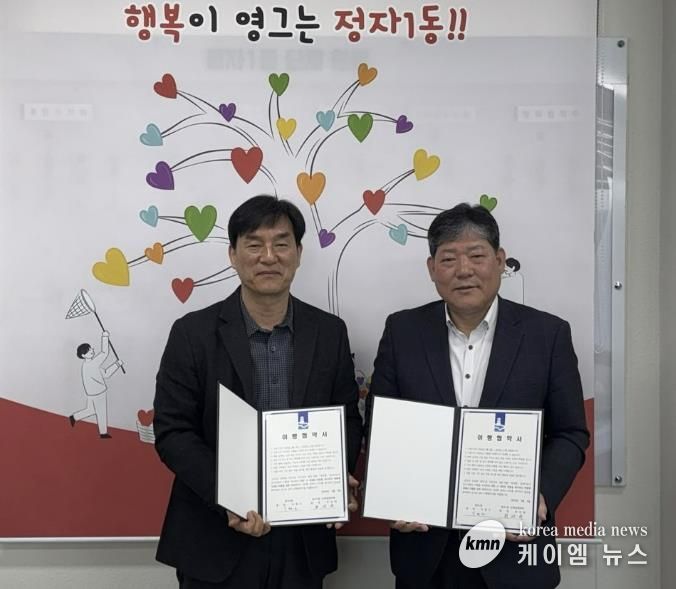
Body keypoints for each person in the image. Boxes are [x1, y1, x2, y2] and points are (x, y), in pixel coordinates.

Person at [366, 203, 589, 589]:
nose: (464, 270)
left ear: (500, 261)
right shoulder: (402, 331)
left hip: (514, 552)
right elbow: (381, 426)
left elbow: (571, 433)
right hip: (425, 550)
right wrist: (393, 495)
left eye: (476, 255)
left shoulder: (547, 335)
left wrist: (540, 496)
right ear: (432, 268)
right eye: (448, 258)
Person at [153, 195, 363, 589]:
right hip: (215, 535)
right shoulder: (192, 333)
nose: (269, 256)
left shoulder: (329, 332)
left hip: (302, 540)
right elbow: (173, 431)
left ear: (298, 254)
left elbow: (348, 418)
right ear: (233, 255)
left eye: (281, 243)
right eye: (254, 244)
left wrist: (334, 476)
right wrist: (230, 495)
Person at [69, 331, 124, 438]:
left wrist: (117, 364)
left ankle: (74, 417)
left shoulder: (89, 365)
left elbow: (106, 374)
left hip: (92, 393)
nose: (92, 351)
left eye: (91, 349)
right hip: (98, 393)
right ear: (83, 355)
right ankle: (103, 433)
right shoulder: (93, 364)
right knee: (101, 412)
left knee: (91, 410)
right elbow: (104, 353)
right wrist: (105, 337)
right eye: (88, 351)